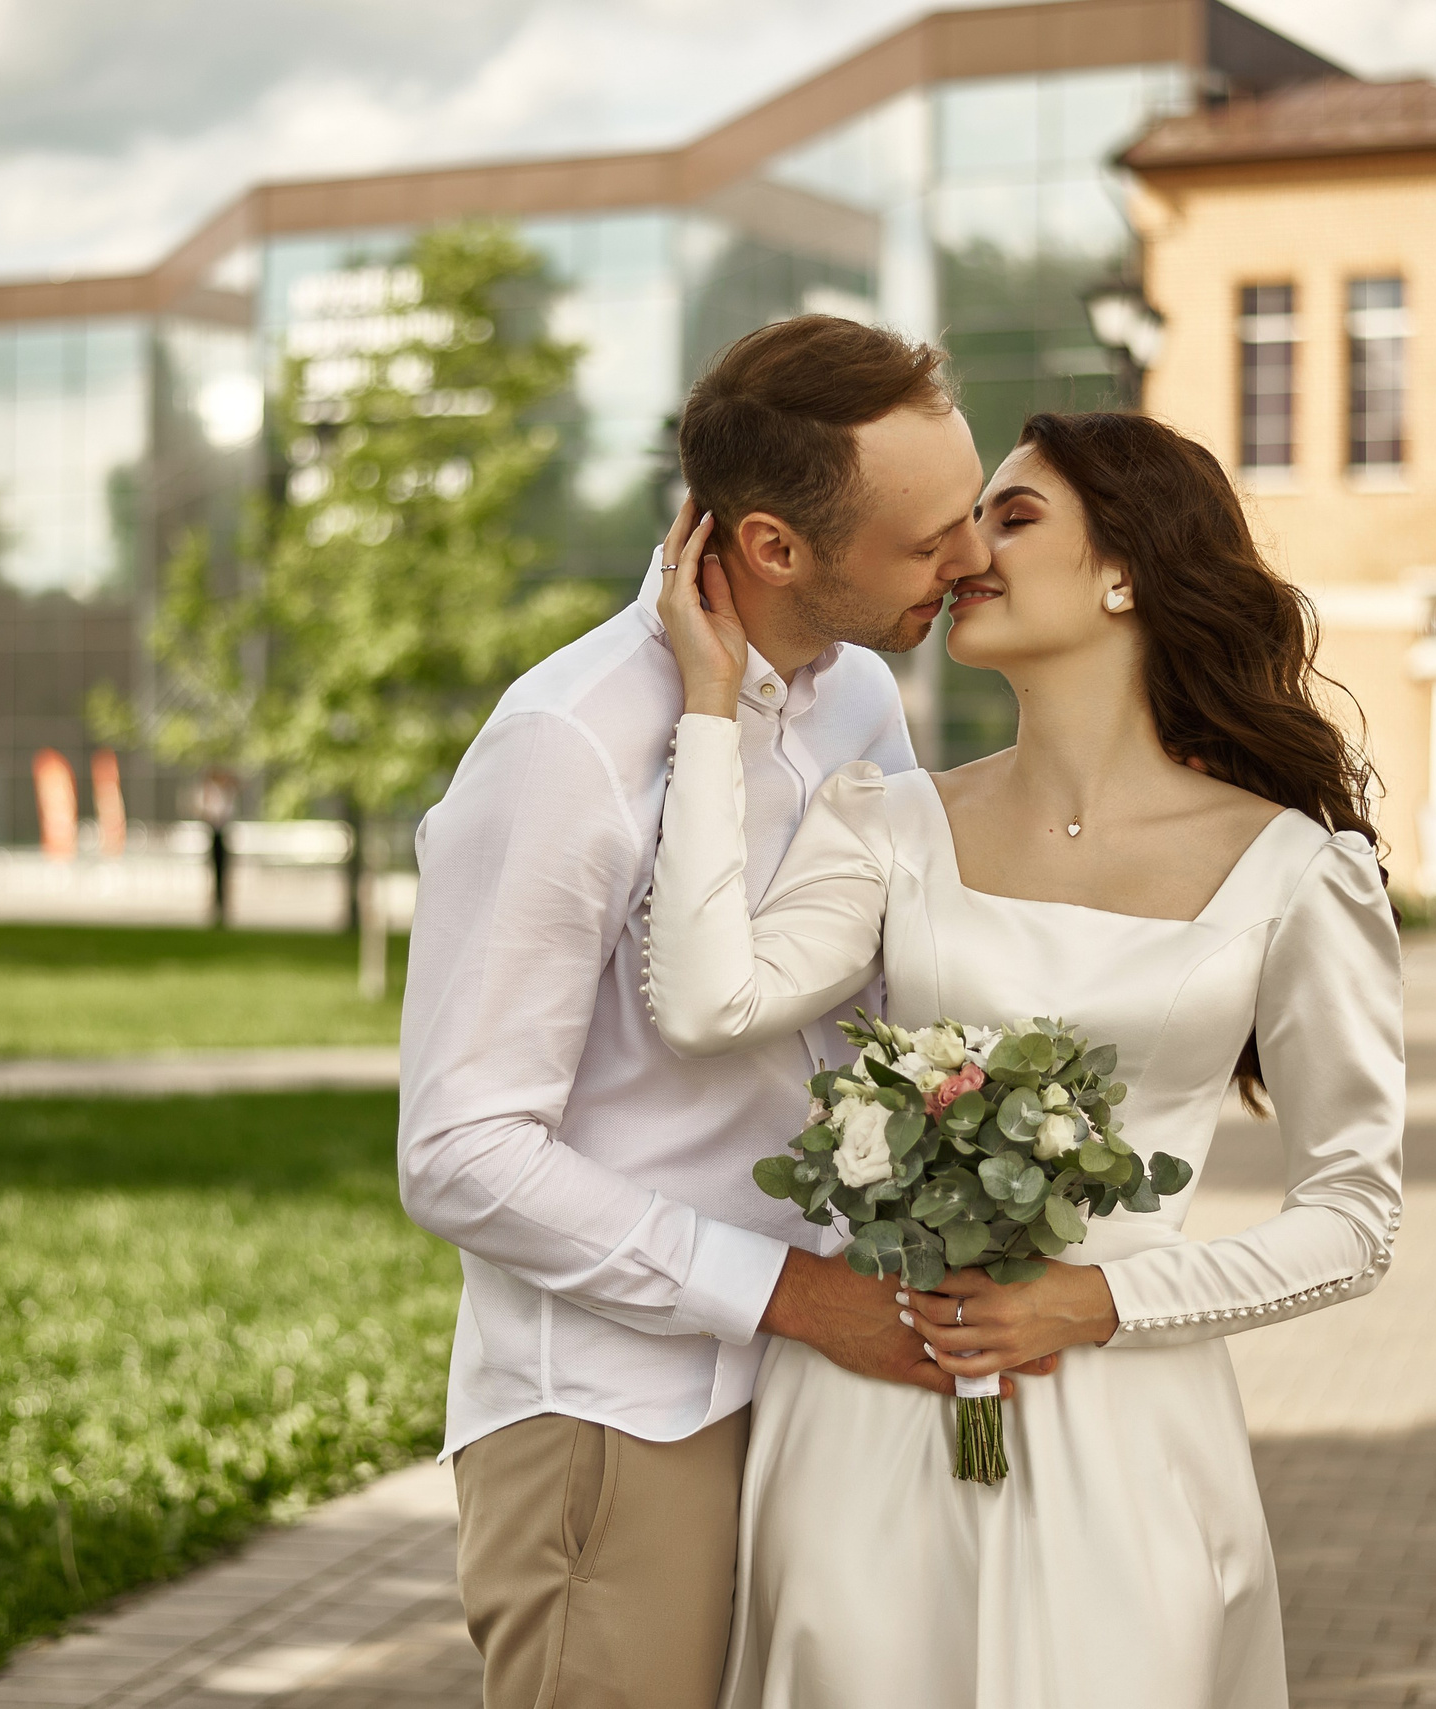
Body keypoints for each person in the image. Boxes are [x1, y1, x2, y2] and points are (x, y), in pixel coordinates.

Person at [645, 409, 1406, 1708]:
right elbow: (708, 1003)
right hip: (879, 1413)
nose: (962, 554)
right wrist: (710, 705)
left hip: (1128, 1429)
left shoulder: (1298, 872)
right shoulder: (888, 824)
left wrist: (1094, 1300)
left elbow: (1355, 1217)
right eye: (959, 523)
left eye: (1012, 514)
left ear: (1128, 568)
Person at [397, 316, 1033, 1709]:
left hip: (830, 1394)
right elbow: (457, 1150)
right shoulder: (561, 749)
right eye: (930, 541)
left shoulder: (863, 695)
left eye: (973, 515)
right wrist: (792, 1296)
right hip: (623, 1422)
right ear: (774, 546)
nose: (972, 562)